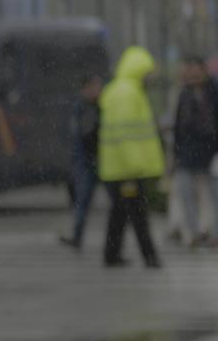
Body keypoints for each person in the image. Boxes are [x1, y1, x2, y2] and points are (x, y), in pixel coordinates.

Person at [98, 46, 165, 268]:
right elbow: (125, 134)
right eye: (148, 72)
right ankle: (150, 256)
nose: (150, 78)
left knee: (119, 213)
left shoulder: (123, 90)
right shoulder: (127, 93)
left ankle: (111, 254)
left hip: (120, 167)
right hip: (127, 169)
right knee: (137, 214)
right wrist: (136, 165)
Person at [170, 56, 218, 246]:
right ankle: (194, 233)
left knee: (214, 195)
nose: (193, 76)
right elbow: (178, 125)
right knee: (186, 193)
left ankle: (214, 234)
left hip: (212, 151)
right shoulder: (185, 93)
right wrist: (176, 153)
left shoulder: (213, 91)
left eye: (196, 71)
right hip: (188, 152)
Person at [60, 73, 104, 249]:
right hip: (87, 161)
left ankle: (78, 237)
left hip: (95, 160)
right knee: (82, 200)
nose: (98, 90)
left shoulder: (93, 106)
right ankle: (77, 237)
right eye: (94, 86)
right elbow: (86, 135)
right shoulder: (85, 107)